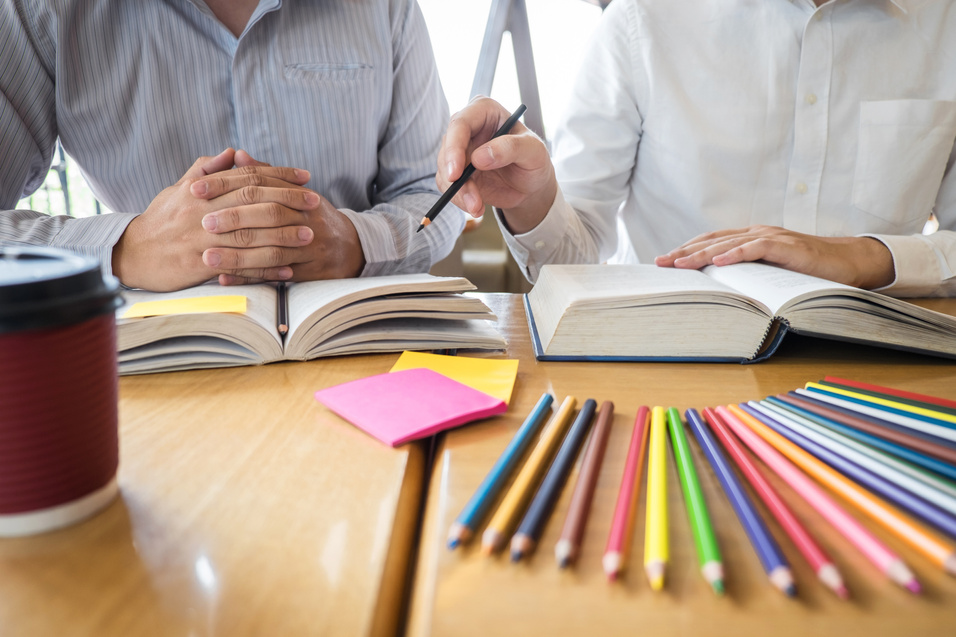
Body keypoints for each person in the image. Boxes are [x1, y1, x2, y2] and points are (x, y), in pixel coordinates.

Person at [437, 0, 956, 297]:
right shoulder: (645, 19)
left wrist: (870, 258)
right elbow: (576, 261)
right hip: (676, 369)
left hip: (880, 371)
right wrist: (533, 198)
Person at [0, 0, 465, 292]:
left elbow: (434, 192)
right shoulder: (40, 10)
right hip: (155, 366)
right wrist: (124, 250)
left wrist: (359, 244)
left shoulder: (386, 7)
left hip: (356, 347)